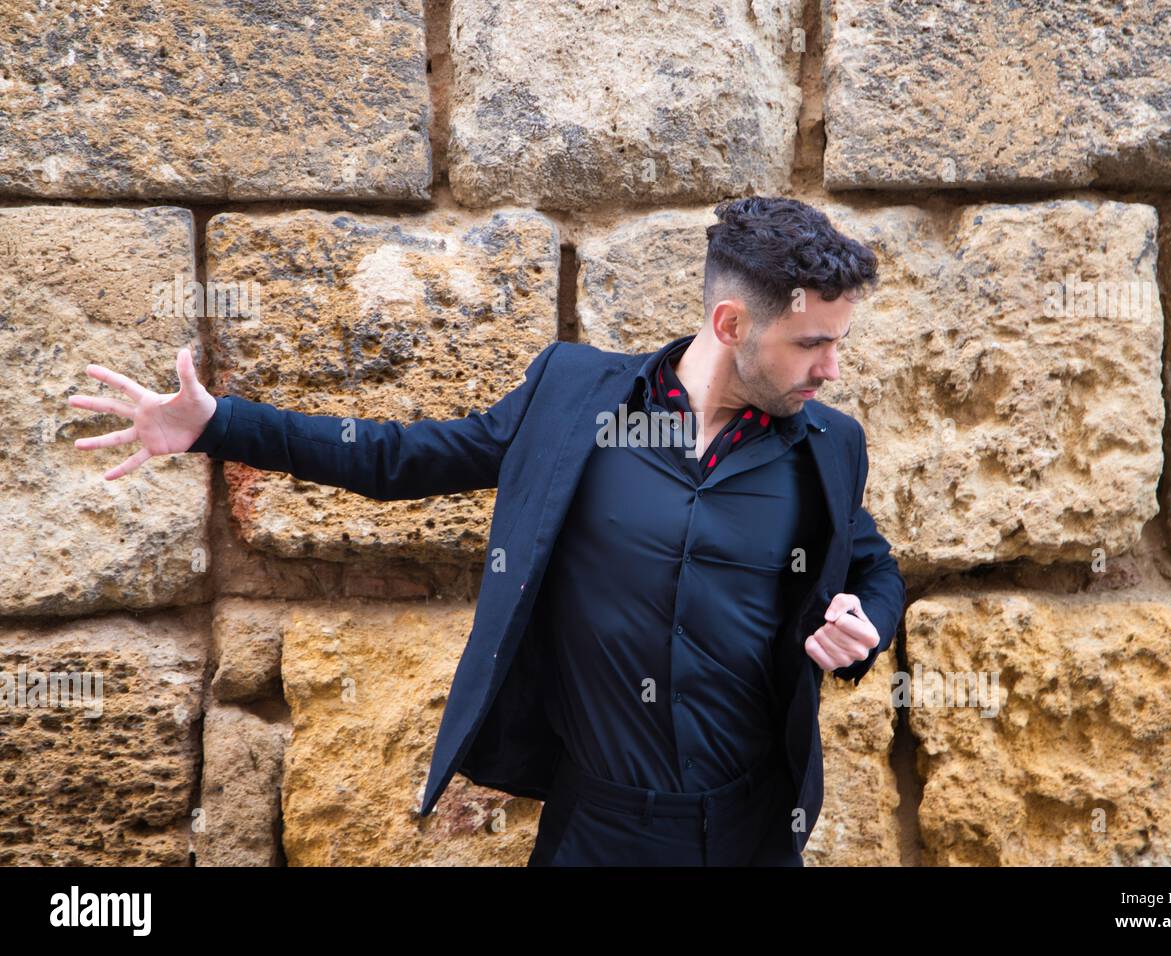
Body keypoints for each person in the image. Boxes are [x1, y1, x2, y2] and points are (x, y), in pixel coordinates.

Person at [69, 195, 906, 866]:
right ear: (730, 325)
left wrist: (863, 630)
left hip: (753, 829)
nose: (830, 369)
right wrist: (220, 423)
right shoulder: (576, 399)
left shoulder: (827, 447)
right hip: (596, 829)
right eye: (811, 345)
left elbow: (873, 570)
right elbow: (401, 459)